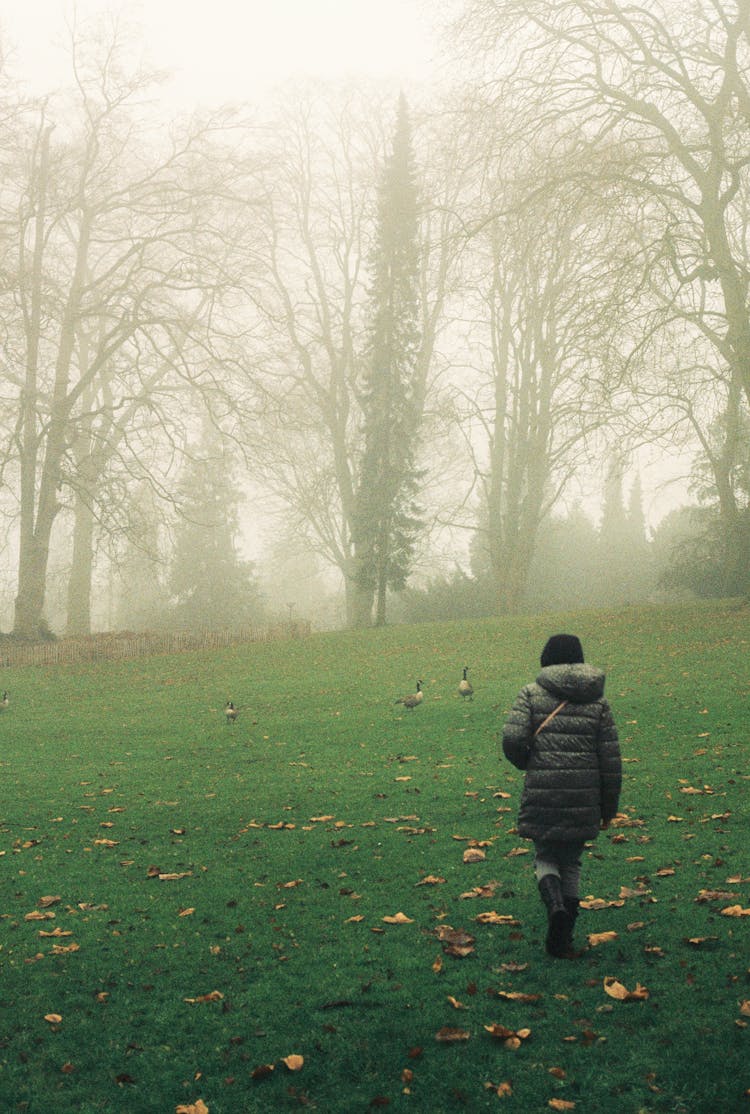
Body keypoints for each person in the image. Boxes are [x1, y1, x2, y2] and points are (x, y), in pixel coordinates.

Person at [501, 633, 621, 958]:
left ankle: (554, 906)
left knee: (545, 855)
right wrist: (608, 809)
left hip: (544, 789)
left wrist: (528, 762)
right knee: (571, 861)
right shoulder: (598, 702)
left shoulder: (530, 693)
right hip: (584, 795)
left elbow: (512, 739)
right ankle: (563, 940)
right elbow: (610, 761)